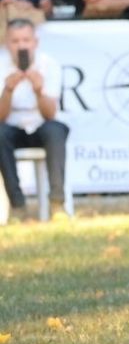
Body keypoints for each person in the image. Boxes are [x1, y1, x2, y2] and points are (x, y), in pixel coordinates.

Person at [0, 18, 67, 222]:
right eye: (15, 41)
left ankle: (57, 204)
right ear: (6, 42)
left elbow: (50, 114)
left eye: (26, 40)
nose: (21, 45)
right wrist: (8, 90)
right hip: (12, 127)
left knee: (55, 130)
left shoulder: (49, 65)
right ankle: (18, 206)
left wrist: (39, 90)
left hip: (40, 125)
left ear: (35, 42)